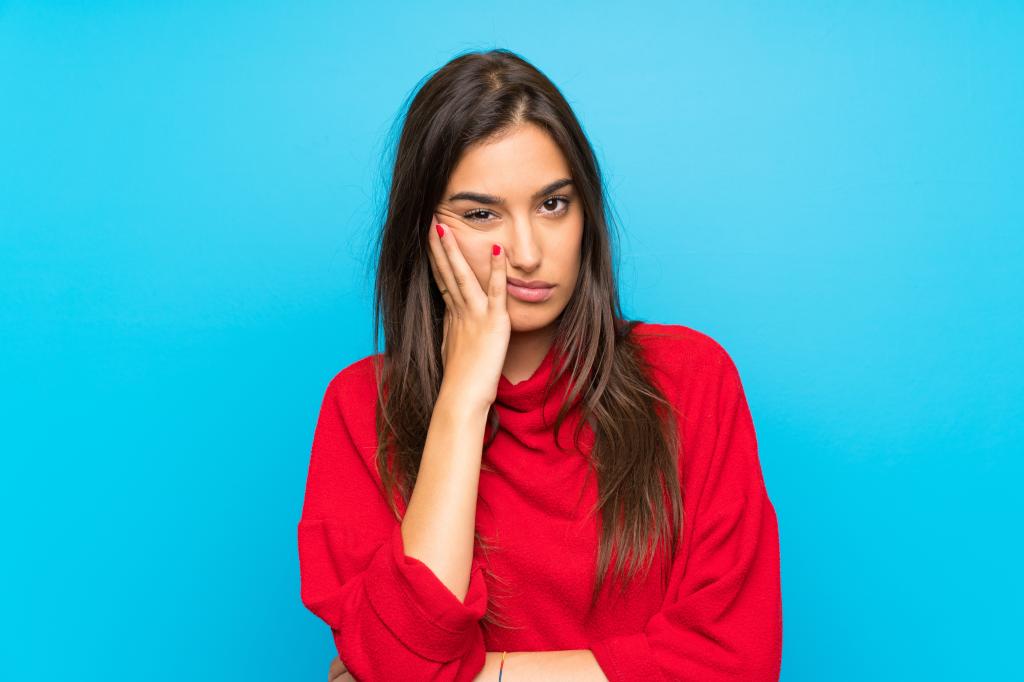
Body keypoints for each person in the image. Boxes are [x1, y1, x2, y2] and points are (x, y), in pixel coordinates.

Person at [298, 48, 782, 682]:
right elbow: (398, 660)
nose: (527, 252)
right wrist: (463, 400)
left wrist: (479, 675)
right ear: (424, 228)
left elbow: (733, 664)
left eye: (554, 204)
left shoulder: (689, 378)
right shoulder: (361, 406)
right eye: (481, 213)